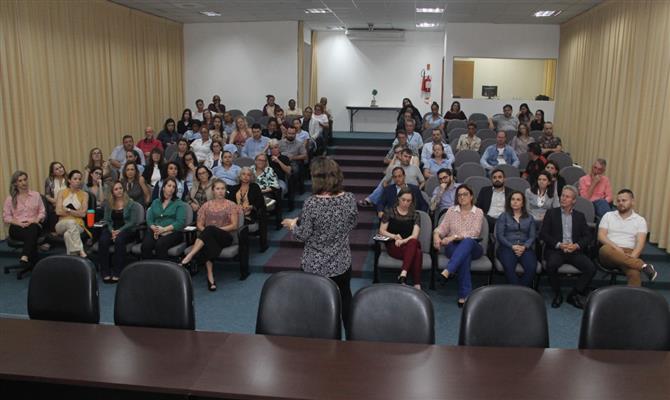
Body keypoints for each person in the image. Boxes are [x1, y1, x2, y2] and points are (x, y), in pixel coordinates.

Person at [281, 157, 358, 327]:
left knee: (315, 305)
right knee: (345, 299)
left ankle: (321, 341)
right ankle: (352, 339)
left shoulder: (312, 203)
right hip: (341, 262)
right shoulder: (349, 198)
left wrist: (293, 225)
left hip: (315, 266)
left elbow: (302, 235)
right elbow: (352, 223)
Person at [540, 185, 596, 309]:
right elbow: (543, 234)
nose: (563, 198)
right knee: (551, 265)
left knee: (591, 268)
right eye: (562, 195)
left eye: (567, 197)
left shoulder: (579, 216)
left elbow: (588, 236)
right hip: (556, 249)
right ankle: (558, 294)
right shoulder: (551, 213)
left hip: (573, 250)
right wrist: (559, 245)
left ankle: (574, 294)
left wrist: (576, 245)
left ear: (574, 201)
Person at [181, 179, 241, 290]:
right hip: (208, 237)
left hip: (225, 237)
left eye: (223, 189)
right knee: (209, 239)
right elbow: (199, 224)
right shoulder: (206, 205)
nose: (220, 191)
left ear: (225, 190)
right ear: (213, 191)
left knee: (210, 230)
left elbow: (234, 225)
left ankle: (190, 255)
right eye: (217, 189)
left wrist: (215, 230)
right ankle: (210, 277)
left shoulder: (231, 205)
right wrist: (210, 232)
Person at [433, 184, 485, 307]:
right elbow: (442, 228)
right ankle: (464, 295)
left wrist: (454, 237)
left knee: (467, 241)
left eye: (465, 194)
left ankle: (448, 270)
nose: (462, 197)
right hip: (454, 247)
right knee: (464, 257)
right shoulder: (451, 210)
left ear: (471, 196)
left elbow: (475, 232)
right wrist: (436, 235)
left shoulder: (478, 212)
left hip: (474, 247)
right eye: (459, 195)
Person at [598, 189, 657, 286]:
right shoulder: (608, 216)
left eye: (624, 200)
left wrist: (633, 257)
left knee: (634, 273)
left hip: (629, 253)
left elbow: (640, 243)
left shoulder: (640, 220)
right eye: (618, 201)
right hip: (609, 252)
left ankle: (633, 300)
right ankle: (643, 266)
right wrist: (617, 249)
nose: (620, 203)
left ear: (632, 202)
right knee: (605, 249)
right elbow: (601, 236)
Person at [378, 188, 423, 289]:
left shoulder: (415, 215)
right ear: (398, 199)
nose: (405, 203)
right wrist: (394, 236)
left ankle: (403, 274)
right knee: (417, 253)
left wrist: (403, 241)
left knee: (413, 242)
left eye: (408, 201)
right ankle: (417, 284)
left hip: (408, 243)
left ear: (411, 201)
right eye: (403, 199)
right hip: (394, 245)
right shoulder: (389, 212)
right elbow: (381, 231)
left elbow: (415, 235)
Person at [3, 171, 46, 268]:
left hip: (33, 224)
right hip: (17, 227)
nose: (23, 182)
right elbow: (6, 217)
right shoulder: (10, 199)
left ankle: (25, 256)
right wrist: (18, 223)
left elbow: (42, 212)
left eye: (25, 179)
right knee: (31, 235)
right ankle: (33, 263)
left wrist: (35, 220)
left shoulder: (36, 195)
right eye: (20, 180)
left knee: (33, 228)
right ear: (15, 183)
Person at [98, 181, 138, 283]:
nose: (119, 191)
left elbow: (132, 222)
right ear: (112, 192)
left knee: (119, 240)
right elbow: (107, 220)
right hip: (112, 228)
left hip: (127, 229)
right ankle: (105, 272)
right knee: (103, 240)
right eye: (116, 189)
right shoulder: (109, 203)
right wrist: (112, 231)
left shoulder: (131, 203)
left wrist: (119, 231)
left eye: (120, 188)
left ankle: (117, 272)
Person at [495, 191, 537, 287]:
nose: (515, 202)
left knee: (531, 268)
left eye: (518, 200)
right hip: (507, 248)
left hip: (525, 248)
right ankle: (520, 293)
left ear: (523, 203)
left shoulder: (530, 218)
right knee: (509, 267)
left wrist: (524, 247)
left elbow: (532, 237)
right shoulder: (504, 216)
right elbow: (500, 236)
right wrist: (512, 246)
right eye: (513, 199)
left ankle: (519, 291)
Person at [141, 177, 187, 260]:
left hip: (173, 232)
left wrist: (164, 229)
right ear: (163, 188)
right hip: (156, 230)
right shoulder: (156, 202)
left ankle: (162, 271)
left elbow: (180, 222)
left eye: (174, 187)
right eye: (169, 186)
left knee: (160, 244)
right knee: (145, 246)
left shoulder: (179, 203)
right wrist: (154, 228)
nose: (171, 188)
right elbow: (149, 219)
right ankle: (149, 268)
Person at [227, 167, 267, 250]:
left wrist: (251, 207)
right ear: (240, 176)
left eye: (248, 175)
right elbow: (229, 203)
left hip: (250, 215)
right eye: (243, 174)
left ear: (251, 177)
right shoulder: (234, 188)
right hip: (235, 215)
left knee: (239, 226)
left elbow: (260, 202)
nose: (245, 176)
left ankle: (241, 249)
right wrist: (237, 208)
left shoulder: (255, 187)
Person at [55, 170, 89, 257]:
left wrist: (69, 211)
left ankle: (73, 256)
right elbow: (58, 211)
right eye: (75, 179)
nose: (78, 181)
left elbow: (83, 214)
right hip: (61, 224)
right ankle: (81, 250)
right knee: (70, 222)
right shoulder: (61, 192)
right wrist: (77, 212)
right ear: (69, 180)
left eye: (80, 179)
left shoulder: (85, 194)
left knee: (67, 234)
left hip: (79, 224)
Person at [44, 161, 67, 233]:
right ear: (52, 172)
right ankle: (54, 233)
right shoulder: (49, 180)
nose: (60, 169)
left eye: (61, 167)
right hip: (54, 203)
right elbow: (47, 195)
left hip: (68, 203)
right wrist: (55, 201)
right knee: (51, 210)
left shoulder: (69, 178)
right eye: (57, 169)